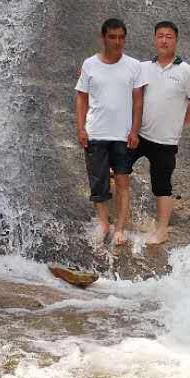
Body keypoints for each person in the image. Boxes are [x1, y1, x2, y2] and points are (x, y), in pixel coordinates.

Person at [131, 20, 190, 246]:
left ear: (175, 40)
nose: (164, 40)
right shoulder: (143, 67)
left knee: (162, 185)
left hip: (165, 140)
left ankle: (161, 230)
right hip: (140, 135)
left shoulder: (186, 71)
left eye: (169, 36)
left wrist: (181, 121)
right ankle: (117, 220)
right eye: (160, 36)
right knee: (117, 166)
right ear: (154, 39)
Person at [75, 18, 143, 247]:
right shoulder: (90, 65)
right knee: (98, 182)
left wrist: (135, 130)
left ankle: (119, 229)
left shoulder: (134, 66)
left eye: (121, 37)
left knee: (123, 181)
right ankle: (103, 223)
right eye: (112, 37)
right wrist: (80, 127)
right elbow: (81, 97)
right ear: (103, 38)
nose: (117, 42)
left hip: (123, 135)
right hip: (95, 133)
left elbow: (138, 100)